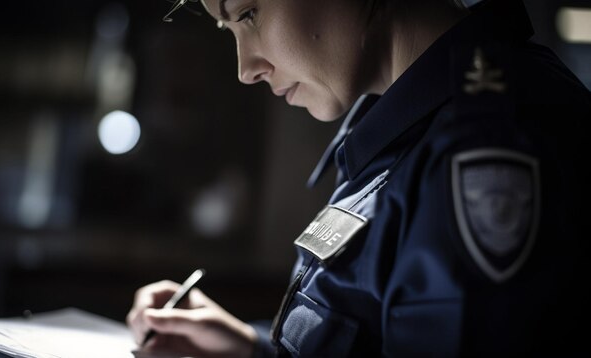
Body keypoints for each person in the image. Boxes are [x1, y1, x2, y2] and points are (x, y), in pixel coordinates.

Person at [127, 0, 590, 356]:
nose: (246, 69)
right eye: (229, 29)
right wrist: (252, 350)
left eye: (248, 13)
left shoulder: (492, 140)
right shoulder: (399, 124)